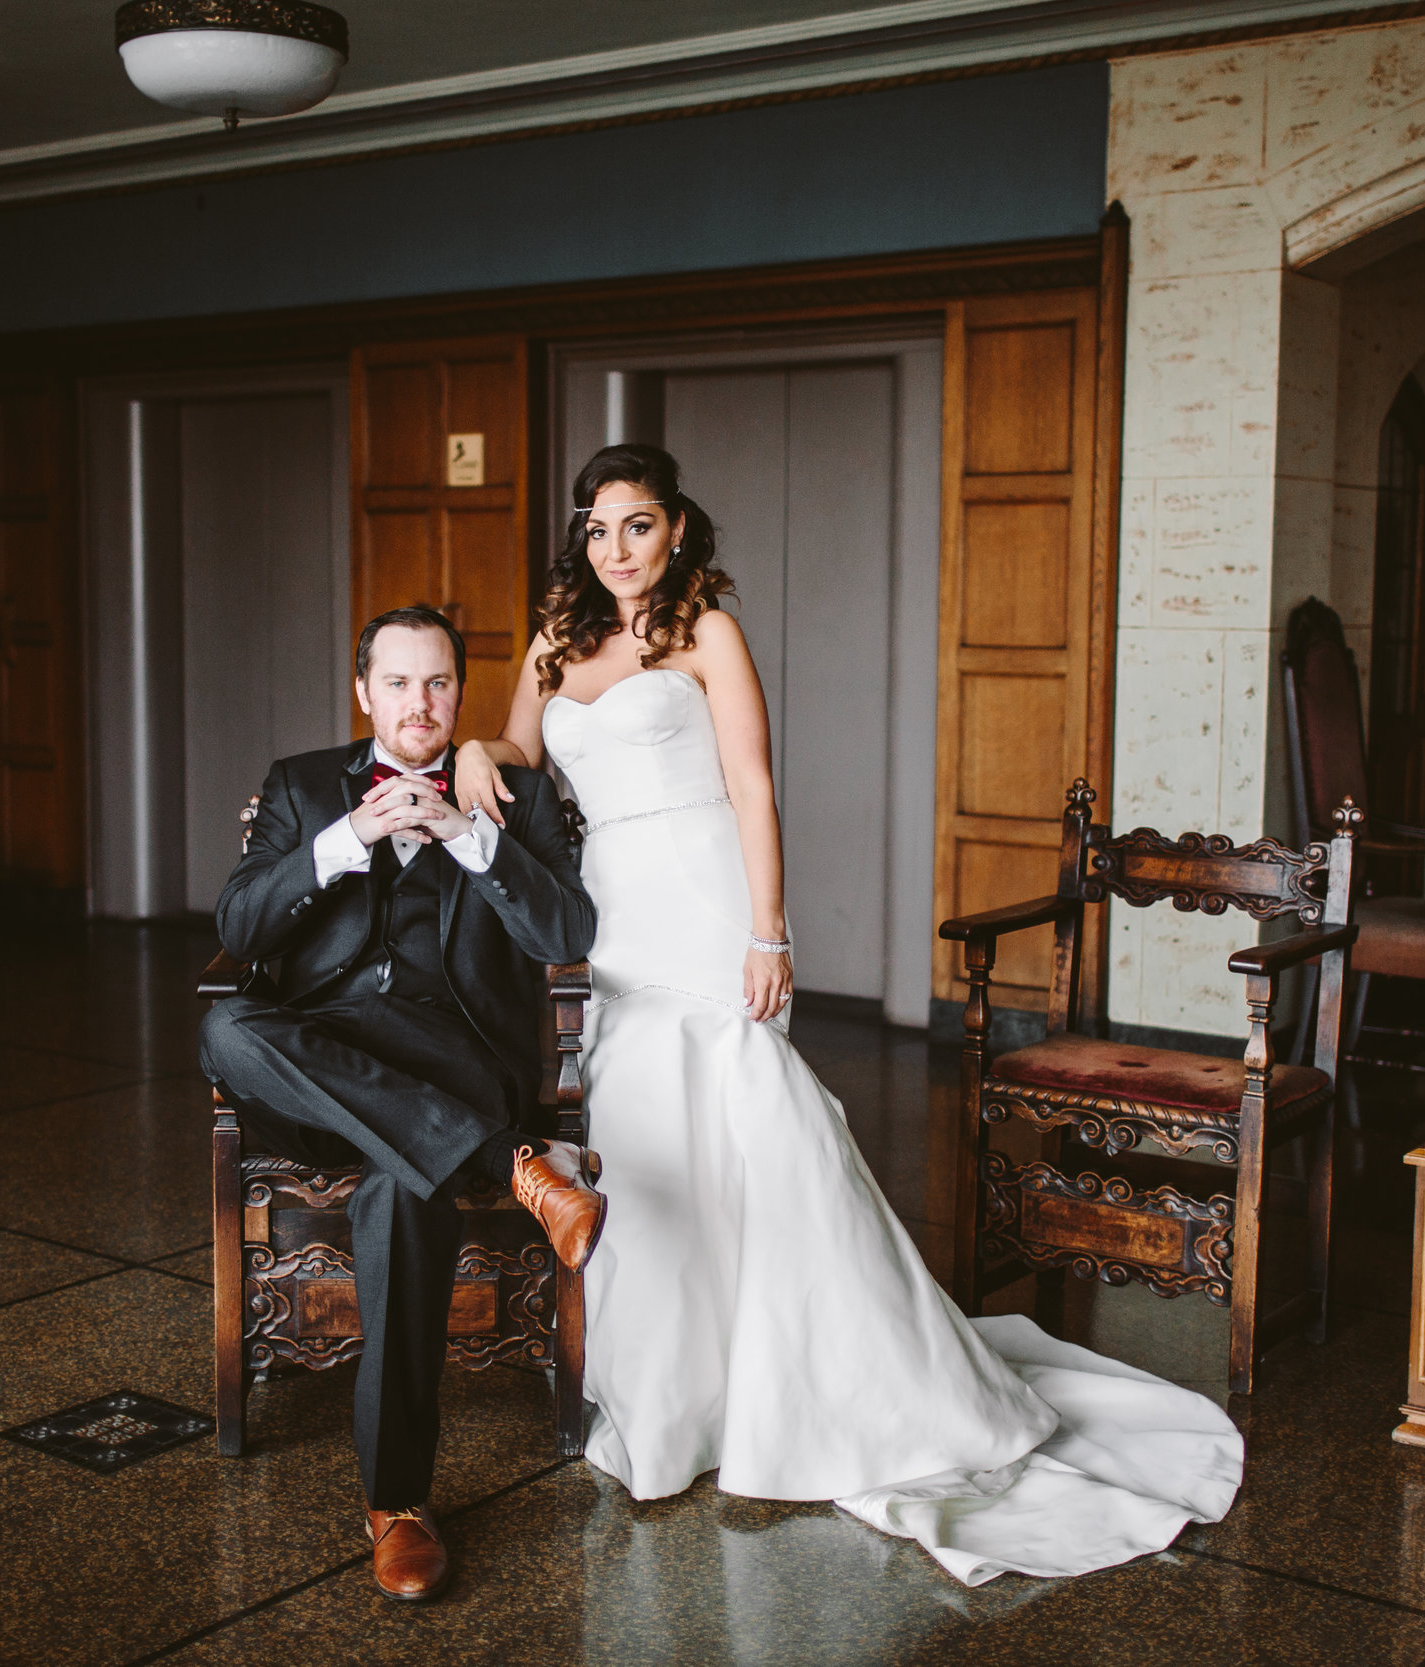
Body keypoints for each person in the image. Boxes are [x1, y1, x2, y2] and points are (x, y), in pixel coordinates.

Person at [452, 445, 1244, 1584]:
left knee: (752, 1127)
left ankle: (822, 1394)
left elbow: (752, 784)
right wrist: (482, 742)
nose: (615, 549)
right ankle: (683, 1399)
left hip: (705, 888)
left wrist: (768, 928)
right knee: (650, 1138)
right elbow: (526, 749)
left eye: (636, 525)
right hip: (616, 915)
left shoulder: (707, 632)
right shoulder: (552, 637)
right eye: (597, 528)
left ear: (674, 527)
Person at [199, 605, 604, 1603]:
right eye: (397, 683)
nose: (418, 703)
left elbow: (567, 922)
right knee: (225, 1028)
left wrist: (473, 840)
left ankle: (397, 1502)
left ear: (459, 694)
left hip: (456, 1055)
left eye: (437, 684)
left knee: (399, 1184)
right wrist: (343, 838)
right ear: (362, 692)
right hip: (323, 1062)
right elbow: (238, 925)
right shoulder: (302, 785)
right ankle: (515, 1161)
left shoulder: (513, 791)